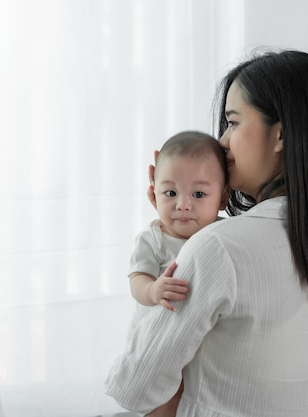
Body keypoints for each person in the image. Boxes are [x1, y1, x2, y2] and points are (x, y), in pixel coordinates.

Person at [105, 50, 308, 416]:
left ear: (280, 134)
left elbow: (135, 389)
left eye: (233, 123)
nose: (221, 141)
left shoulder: (219, 248)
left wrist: (169, 233)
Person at [126, 130, 229, 416]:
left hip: (202, 343)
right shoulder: (153, 239)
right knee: (162, 403)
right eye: (170, 193)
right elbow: (137, 280)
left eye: (198, 194)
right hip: (159, 343)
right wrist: (152, 290)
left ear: (222, 198)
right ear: (153, 194)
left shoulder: (223, 235)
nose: (183, 204)